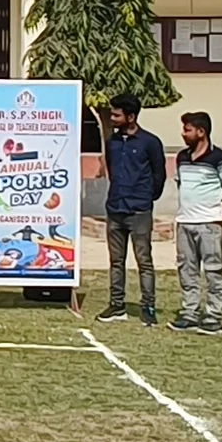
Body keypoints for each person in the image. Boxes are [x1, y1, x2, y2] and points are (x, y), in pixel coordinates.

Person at [96, 98, 166, 328]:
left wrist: (147, 197)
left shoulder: (150, 142)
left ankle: (148, 306)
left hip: (139, 210)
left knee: (143, 260)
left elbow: (159, 175)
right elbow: (111, 168)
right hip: (115, 208)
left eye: (117, 115)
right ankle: (117, 304)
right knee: (116, 260)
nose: (113, 119)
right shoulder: (113, 142)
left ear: (131, 117)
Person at [169, 108, 222, 332]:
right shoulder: (182, 157)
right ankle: (190, 311)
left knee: (213, 269)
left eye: (187, 130)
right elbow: (180, 184)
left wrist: (220, 215)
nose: (183, 134)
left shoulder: (219, 159)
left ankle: (214, 313)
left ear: (201, 132)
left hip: (210, 223)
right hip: (185, 221)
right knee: (187, 268)